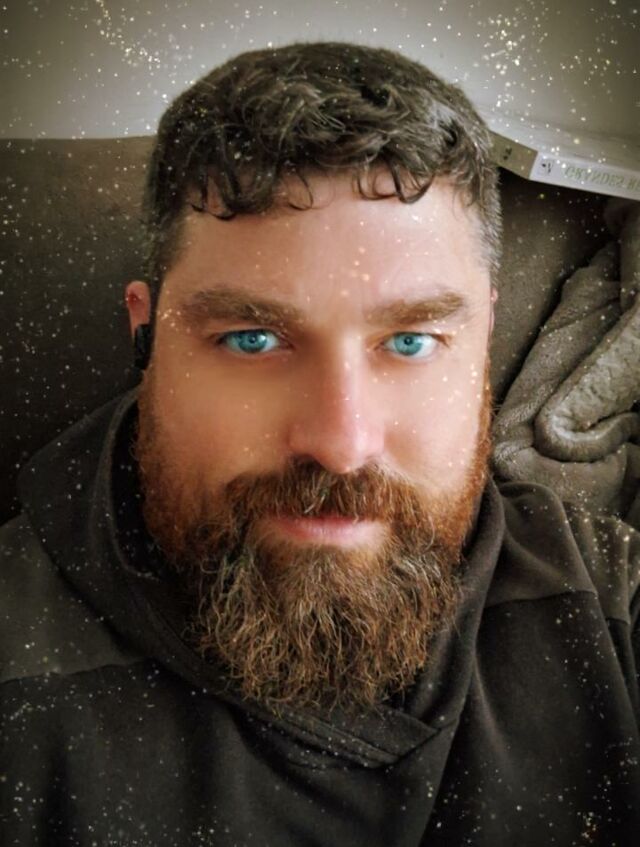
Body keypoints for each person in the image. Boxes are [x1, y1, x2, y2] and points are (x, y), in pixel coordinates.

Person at [1, 40, 638, 847]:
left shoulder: (610, 601)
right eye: (252, 339)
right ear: (146, 332)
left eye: (410, 342)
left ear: (482, 339)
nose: (342, 443)